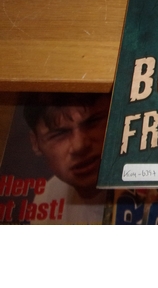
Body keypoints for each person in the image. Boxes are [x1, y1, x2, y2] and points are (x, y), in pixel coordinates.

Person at [24, 92, 110, 224]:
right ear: (35, 143)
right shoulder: (47, 199)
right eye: (59, 134)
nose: (79, 146)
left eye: (93, 122)